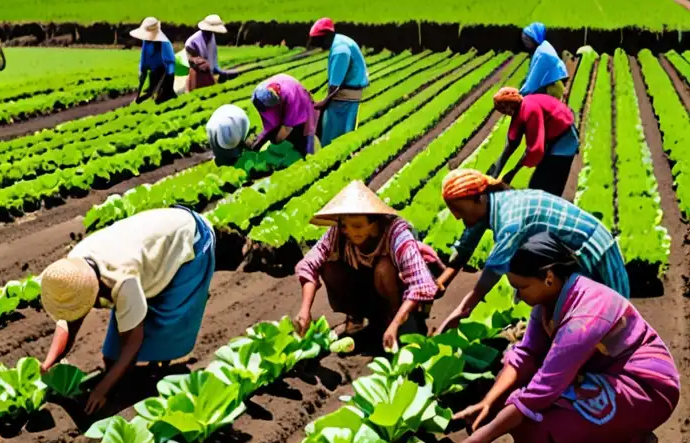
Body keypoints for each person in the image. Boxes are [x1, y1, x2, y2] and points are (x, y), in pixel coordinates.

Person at [439, 233, 678, 443]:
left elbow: (540, 391)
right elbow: (525, 355)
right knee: (514, 405)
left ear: (549, 278)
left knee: (536, 420)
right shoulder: (548, 303)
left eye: (522, 287)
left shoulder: (584, 317)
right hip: (603, 375)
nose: (518, 297)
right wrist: (488, 402)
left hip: (645, 388)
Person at [39, 207, 215, 414]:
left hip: (187, 240)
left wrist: (102, 389)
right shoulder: (74, 268)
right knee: (113, 354)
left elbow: (132, 343)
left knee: (165, 320)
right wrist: (49, 362)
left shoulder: (123, 281)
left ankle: (159, 371)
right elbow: (70, 321)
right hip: (148, 244)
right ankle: (131, 376)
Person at [435, 169, 629, 333]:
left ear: (479, 198)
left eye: (459, 209)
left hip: (594, 250)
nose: (457, 217)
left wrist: (462, 310)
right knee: (575, 319)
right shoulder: (493, 203)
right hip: (569, 253)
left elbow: (494, 268)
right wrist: (441, 282)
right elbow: (466, 244)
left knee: (611, 321)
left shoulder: (510, 220)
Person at [294, 181, 442, 351]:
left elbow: (420, 283)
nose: (349, 231)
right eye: (344, 226)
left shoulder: (397, 233)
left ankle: (395, 320)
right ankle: (358, 319)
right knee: (329, 265)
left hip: (398, 293)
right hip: (366, 289)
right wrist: (305, 311)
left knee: (384, 268)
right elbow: (309, 264)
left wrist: (395, 324)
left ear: (374, 223)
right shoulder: (339, 233)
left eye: (357, 226)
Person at [487, 87, 579, 197]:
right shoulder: (519, 110)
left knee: (547, 185)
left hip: (564, 140)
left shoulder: (530, 110)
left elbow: (536, 148)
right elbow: (512, 141)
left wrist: (515, 171)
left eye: (504, 108)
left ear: (510, 104)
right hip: (551, 139)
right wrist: (496, 172)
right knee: (538, 182)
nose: (505, 112)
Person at [309, 18, 368, 147]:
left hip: (345, 97)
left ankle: (334, 157)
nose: (319, 45)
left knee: (333, 133)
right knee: (341, 130)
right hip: (348, 94)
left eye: (319, 41)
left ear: (326, 36)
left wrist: (322, 104)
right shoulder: (339, 41)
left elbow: (335, 86)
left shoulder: (340, 50)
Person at [249, 74, 318, 158]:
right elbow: (269, 118)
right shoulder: (260, 91)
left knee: (303, 141)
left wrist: (275, 141)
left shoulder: (291, 98)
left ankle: (305, 155)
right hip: (284, 89)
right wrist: (263, 137)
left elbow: (287, 128)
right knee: (273, 129)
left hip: (301, 105)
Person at [132, 17, 177, 105]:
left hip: (165, 73)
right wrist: (142, 71)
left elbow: (170, 62)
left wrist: (166, 81)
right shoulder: (146, 41)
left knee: (162, 98)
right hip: (153, 72)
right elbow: (144, 57)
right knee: (150, 94)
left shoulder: (164, 43)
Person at [184, 15, 233, 92]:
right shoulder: (192, 42)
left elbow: (213, 56)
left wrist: (217, 69)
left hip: (208, 73)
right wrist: (202, 64)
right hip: (198, 75)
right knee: (198, 94)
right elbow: (192, 61)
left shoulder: (211, 37)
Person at [520, 22, 568, 99]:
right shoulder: (543, 46)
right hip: (552, 85)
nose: (524, 42)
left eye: (526, 39)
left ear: (534, 38)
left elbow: (533, 81)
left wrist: (519, 95)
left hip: (552, 91)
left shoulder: (542, 54)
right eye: (523, 39)